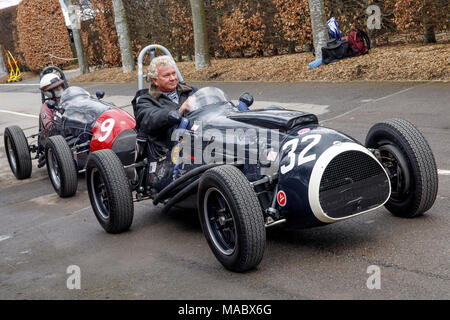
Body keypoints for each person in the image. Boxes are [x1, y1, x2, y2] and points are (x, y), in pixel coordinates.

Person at [132, 55, 197, 159]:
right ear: (155, 80)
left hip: (198, 139)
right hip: (167, 152)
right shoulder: (145, 100)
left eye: (174, 73)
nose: (173, 78)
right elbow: (150, 119)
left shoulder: (190, 91)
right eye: (166, 76)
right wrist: (178, 111)